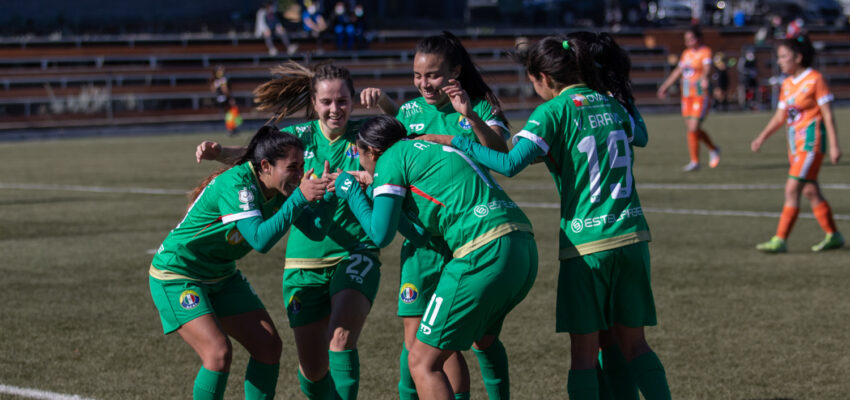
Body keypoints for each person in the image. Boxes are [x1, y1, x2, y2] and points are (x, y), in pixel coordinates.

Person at [420, 33, 670, 400]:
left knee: (583, 357)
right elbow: (639, 136)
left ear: (545, 79)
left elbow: (508, 163)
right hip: (633, 237)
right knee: (636, 347)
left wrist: (456, 140)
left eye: (533, 81)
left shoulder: (552, 111)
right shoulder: (612, 104)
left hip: (588, 246)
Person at [196, 62, 379, 400]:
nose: (335, 109)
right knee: (313, 372)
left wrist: (372, 178)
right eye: (326, 102)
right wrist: (222, 153)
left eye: (342, 101)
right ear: (314, 101)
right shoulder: (301, 137)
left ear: (353, 100)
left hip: (354, 253)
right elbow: (258, 157)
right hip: (303, 265)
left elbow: (404, 160)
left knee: (340, 338)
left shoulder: (368, 135)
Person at [333, 115, 538, 400]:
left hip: (483, 250)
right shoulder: (421, 150)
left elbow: (380, 236)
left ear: (371, 152)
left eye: (358, 153)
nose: (360, 161)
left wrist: (351, 191)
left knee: (422, 361)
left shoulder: (390, 158)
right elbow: (422, 235)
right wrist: (372, 191)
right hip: (522, 245)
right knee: (465, 345)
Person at [360, 31, 513, 399]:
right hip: (423, 244)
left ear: (455, 71)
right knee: (415, 342)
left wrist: (470, 118)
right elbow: (391, 148)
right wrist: (384, 104)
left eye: (433, 75)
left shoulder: (480, 106)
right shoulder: (410, 111)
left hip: (466, 239)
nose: (424, 83)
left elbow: (500, 150)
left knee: (478, 339)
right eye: (417, 75)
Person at [149, 126, 332, 400]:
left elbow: (316, 230)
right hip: (177, 273)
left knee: (268, 347)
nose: (300, 173)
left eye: (302, 166)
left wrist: (327, 196)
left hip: (221, 275)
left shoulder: (281, 187)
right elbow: (260, 240)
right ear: (266, 166)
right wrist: (299, 197)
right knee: (218, 353)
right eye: (293, 167)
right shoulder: (238, 185)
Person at [750, 35, 844, 253]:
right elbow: (779, 117)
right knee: (810, 191)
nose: (780, 61)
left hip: (811, 144)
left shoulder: (815, 79)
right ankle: (834, 235)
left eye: (784, 56)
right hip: (794, 146)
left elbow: (828, 115)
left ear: (798, 57)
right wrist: (761, 137)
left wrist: (835, 145)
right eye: (779, 57)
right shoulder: (787, 84)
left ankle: (780, 239)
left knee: (792, 189)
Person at [657, 26, 721, 172]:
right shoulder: (686, 54)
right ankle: (712, 149)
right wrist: (665, 86)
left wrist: (705, 78)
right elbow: (677, 72)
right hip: (686, 96)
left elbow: (707, 68)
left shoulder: (705, 51)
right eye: (686, 39)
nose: (688, 42)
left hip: (700, 94)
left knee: (693, 127)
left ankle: (695, 161)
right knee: (692, 128)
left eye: (691, 39)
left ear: (698, 39)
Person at [210, 66, 241, 136]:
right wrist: (230, 98)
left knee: (228, 114)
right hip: (225, 98)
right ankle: (232, 128)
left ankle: (231, 128)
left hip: (219, 99)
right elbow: (225, 90)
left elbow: (213, 90)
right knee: (232, 113)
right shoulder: (223, 80)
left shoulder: (216, 80)